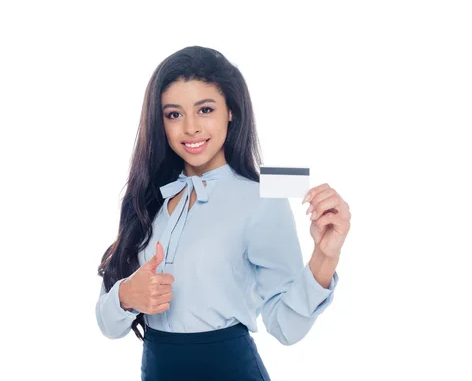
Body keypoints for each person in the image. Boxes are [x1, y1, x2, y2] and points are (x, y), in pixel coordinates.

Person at [95, 46, 351, 380]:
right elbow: (108, 325)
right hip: (157, 369)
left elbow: (286, 327)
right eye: (174, 114)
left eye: (205, 109)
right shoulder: (146, 199)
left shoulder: (261, 198)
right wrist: (127, 296)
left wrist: (325, 256)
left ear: (231, 110)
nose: (190, 128)